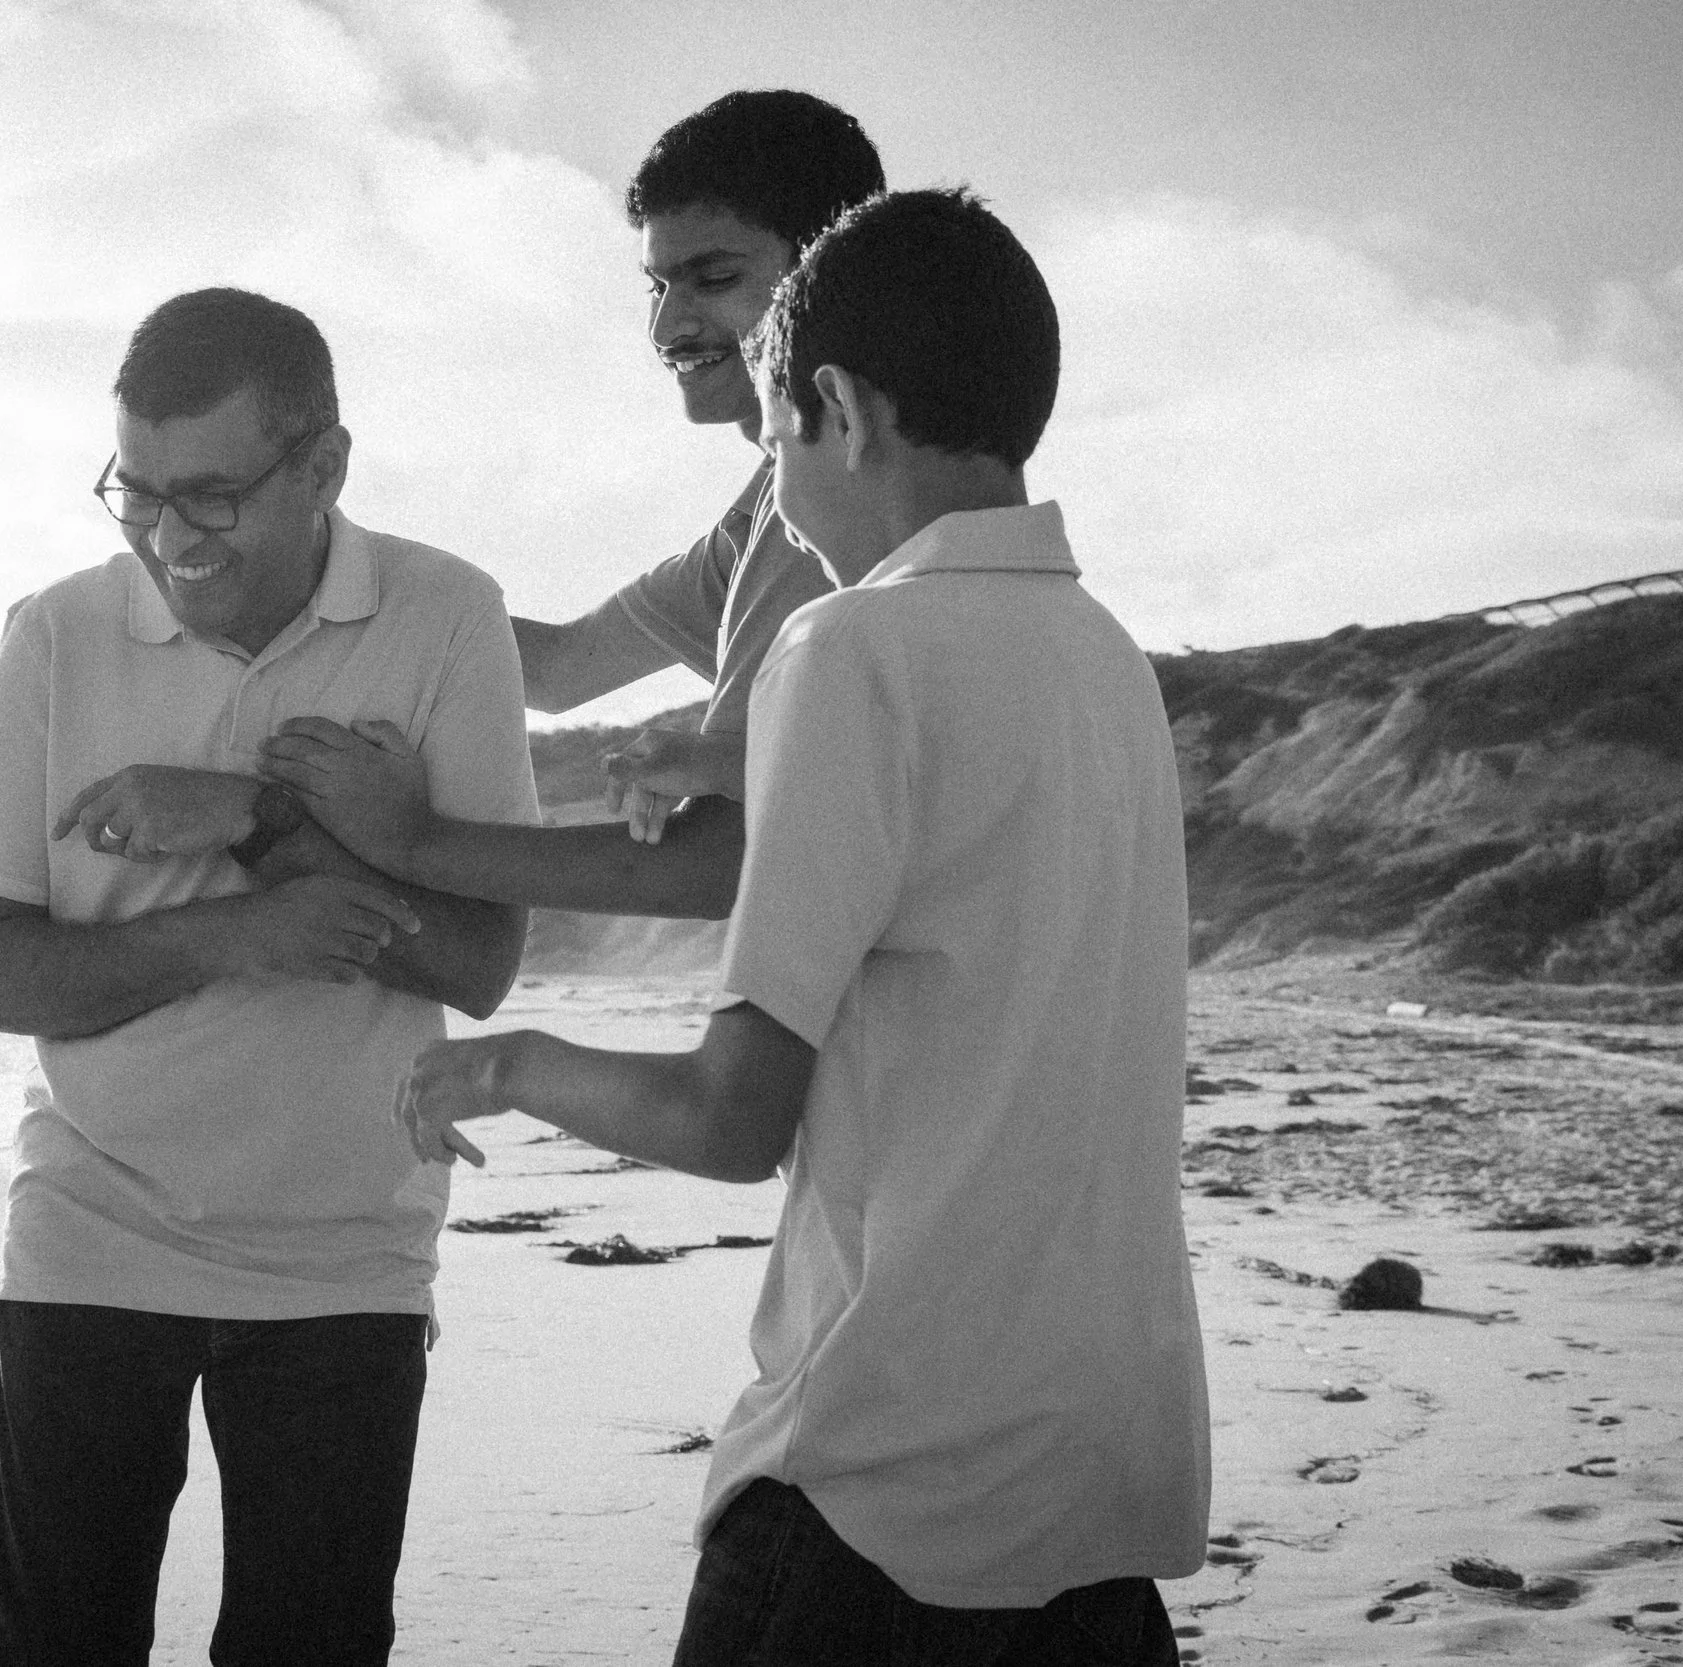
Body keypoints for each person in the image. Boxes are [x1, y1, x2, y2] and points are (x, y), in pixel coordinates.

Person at [394, 190, 1210, 1665]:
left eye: (773, 442)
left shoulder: (848, 646)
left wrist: (502, 1063)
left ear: (835, 407)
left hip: (883, 1484)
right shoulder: (1106, 658)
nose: (776, 484)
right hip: (1100, 1484)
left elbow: (730, 1113)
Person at [0, 287, 537, 1667]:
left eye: (207, 499)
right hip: (90, 1227)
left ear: (324, 466)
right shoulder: (52, 635)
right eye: (134, 495)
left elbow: (484, 959)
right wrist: (234, 932)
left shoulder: (449, 615)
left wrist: (256, 822)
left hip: (347, 1245)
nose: (165, 539)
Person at [257, 90, 880, 913]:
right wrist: (298, 572)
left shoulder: (831, 509)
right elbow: (559, 667)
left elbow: (719, 863)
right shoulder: (764, 512)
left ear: (828, 277)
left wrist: (412, 840)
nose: (666, 328)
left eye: (715, 278)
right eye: (656, 286)